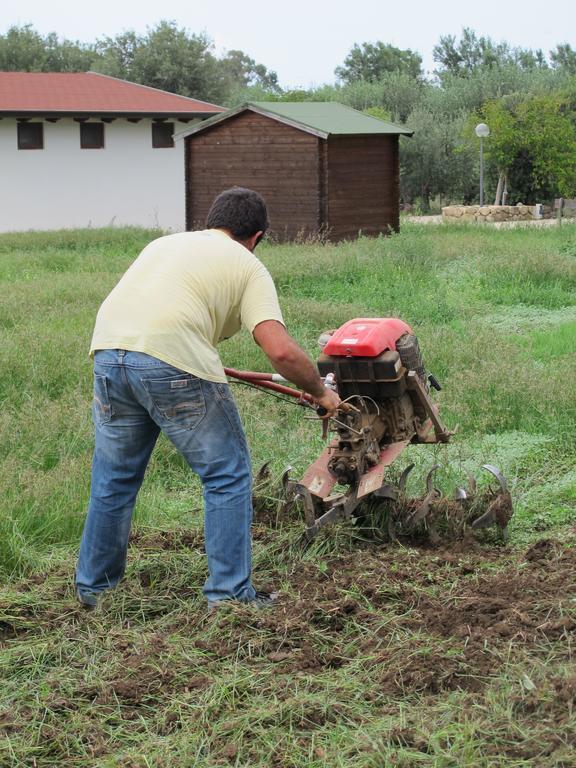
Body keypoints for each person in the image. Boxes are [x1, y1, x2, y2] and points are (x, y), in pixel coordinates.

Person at [76, 187, 341, 610]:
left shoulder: (164, 244)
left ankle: (95, 590)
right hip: (170, 360)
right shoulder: (247, 265)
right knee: (227, 474)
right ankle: (229, 596)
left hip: (109, 353)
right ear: (256, 237)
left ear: (211, 221)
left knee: (115, 478)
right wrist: (321, 392)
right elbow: (281, 351)